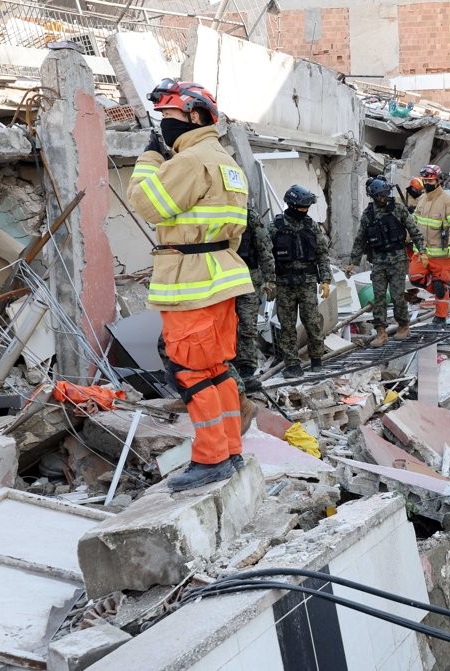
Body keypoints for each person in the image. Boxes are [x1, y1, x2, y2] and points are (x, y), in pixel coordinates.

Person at [128, 79, 252, 492]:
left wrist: (148, 157)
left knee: (189, 371)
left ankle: (211, 458)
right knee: (216, 370)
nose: (163, 125)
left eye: (168, 116)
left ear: (195, 116)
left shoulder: (190, 160)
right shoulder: (226, 160)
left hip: (191, 283)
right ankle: (229, 450)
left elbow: (147, 204)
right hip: (221, 277)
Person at [346, 178, 426, 347]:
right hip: (379, 261)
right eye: (379, 196)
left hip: (397, 259)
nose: (383, 198)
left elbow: (414, 231)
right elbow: (361, 239)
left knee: (398, 296)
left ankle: (403, 325)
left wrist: (422, 251)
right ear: (374, 196)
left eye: (385, 195)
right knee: (379, 297)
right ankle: (381, 332)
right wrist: (353, 261)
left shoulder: (398, 209)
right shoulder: (368, 215)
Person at [271, 185, 333, 377]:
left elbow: (322, 254)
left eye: (307, 207)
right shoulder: (275, 227)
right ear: (291, 205)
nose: (305, 211)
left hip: (307, 283)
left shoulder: (311, 226)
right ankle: (292, 365)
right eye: (302, 207)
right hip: (284, 284)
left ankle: (317, 360)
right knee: (287, 326)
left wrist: (325, 279)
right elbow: (266, 256)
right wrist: (269, 281)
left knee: (313, 323)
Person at [409, 164, 450, 326]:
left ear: (438, 181)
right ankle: (438, 287)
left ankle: (441, 317)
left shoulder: (449, 201)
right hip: (422, 252)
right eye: (425, 180)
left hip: (441, 254)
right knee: (414, 277)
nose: (427, 183)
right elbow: (414, 222)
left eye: (430, 180)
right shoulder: (422, 199)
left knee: (440, 287)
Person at [233, 206, 276, 390]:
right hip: (221, 280)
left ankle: (247, 371)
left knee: (247, 326)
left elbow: (264, 248)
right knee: (223, 326)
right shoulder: (215, 212)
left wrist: (270, 280)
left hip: (248, 278)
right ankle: (228, 370)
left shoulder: (249, 215)